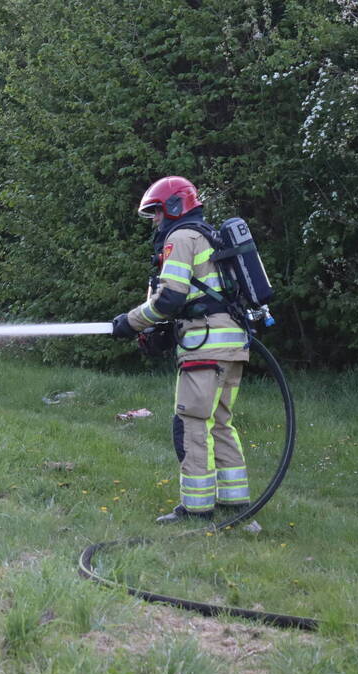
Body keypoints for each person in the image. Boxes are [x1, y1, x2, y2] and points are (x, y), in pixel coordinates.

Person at [110, 176, 251, 523]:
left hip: (205, 346)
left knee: (191, 424)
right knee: (220, 424)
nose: (155, 221)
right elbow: (195, 298)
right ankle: (236, 505)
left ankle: (196, 509)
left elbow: (170, 297)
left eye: (157, 213)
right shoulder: (207, 235)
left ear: (174, 207)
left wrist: (131, 322)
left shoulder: (180, 238)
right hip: (232, 345)